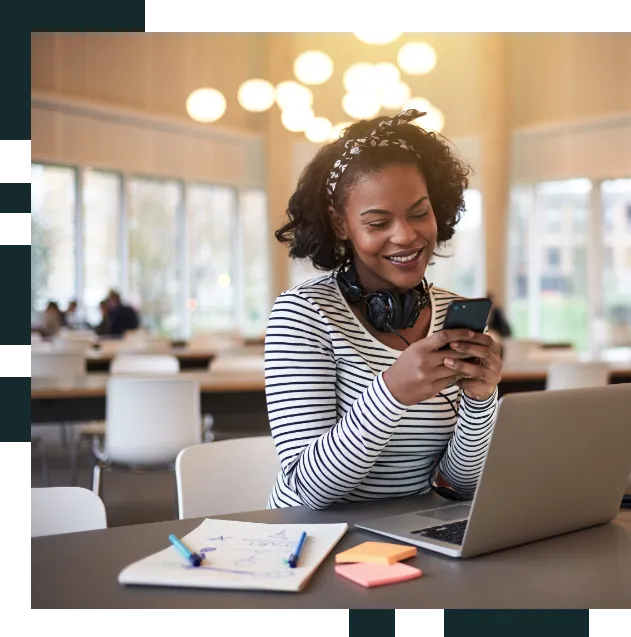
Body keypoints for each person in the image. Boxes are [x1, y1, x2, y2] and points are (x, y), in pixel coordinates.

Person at [266, 109, 503, 510]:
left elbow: (462, 485)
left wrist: (482, 401)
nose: (406, 236)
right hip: (314, 539)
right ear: (342, 225)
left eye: (419, 213)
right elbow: (310, 491)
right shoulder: (302, 313)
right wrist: (391, 392)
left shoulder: (449, 311)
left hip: (412, 533)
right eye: (378, 223)